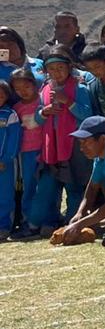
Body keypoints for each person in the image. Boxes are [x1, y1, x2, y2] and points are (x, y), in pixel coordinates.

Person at [32, 46, 94, 231]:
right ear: (46, 71)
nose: (56, 73)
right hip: (51, 145)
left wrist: (69, 101)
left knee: (73, 184)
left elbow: (87, 115)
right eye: (52, 69)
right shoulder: (44, 90)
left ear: (69, 67)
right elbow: (37, 118)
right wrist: (45, 111)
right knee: (47, 186)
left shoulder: (79, 88)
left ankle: (72, 222)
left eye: (60, 68)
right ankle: (46, 221)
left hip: (73, 145)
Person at [11, 68, 43, 237]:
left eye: (26, 87)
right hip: (25, 153)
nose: (23, 92)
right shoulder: (16, 109)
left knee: (45, 186)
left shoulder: (43, 101)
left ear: (34, 84)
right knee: (28, 187)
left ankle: (46, 219)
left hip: (45, 149)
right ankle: (27, 221)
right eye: (18, 89)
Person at [0, 81, 19, 239]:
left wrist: (6, 159)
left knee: (4, 195)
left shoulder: (10, 115)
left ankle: (4, 226)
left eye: (1, 95)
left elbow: (14, 140)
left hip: (4, 165)